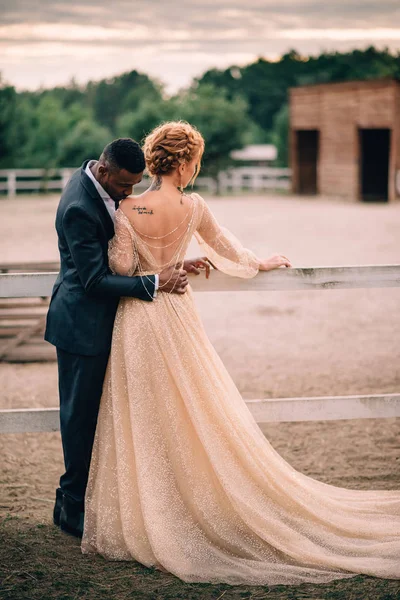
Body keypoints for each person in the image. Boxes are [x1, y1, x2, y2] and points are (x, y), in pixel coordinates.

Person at [81, 123, 400, 586]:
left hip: (139, 316)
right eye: (196, 161)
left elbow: (118, 268)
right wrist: (259, 262)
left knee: (144, 414)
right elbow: (226, 249)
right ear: (186, 163)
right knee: (191, 409)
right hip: (178, 314)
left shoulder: (129, 207)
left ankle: (157, 508)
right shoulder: (193, 206)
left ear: (153, 160)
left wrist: (156, 267)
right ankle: (191, 505)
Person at [45, 138, 209, 538]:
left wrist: (167, 262)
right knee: (79, 420)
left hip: (102, 323)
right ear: (104, 171)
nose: (129, 194)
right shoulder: (79, 208)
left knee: (102, 418)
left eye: (135, 184)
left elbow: (124, 253)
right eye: (124, 186)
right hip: (81, 327)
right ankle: (71, 509)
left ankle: (75, 503)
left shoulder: (99, 180)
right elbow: (94, 279)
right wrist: (157, 281)